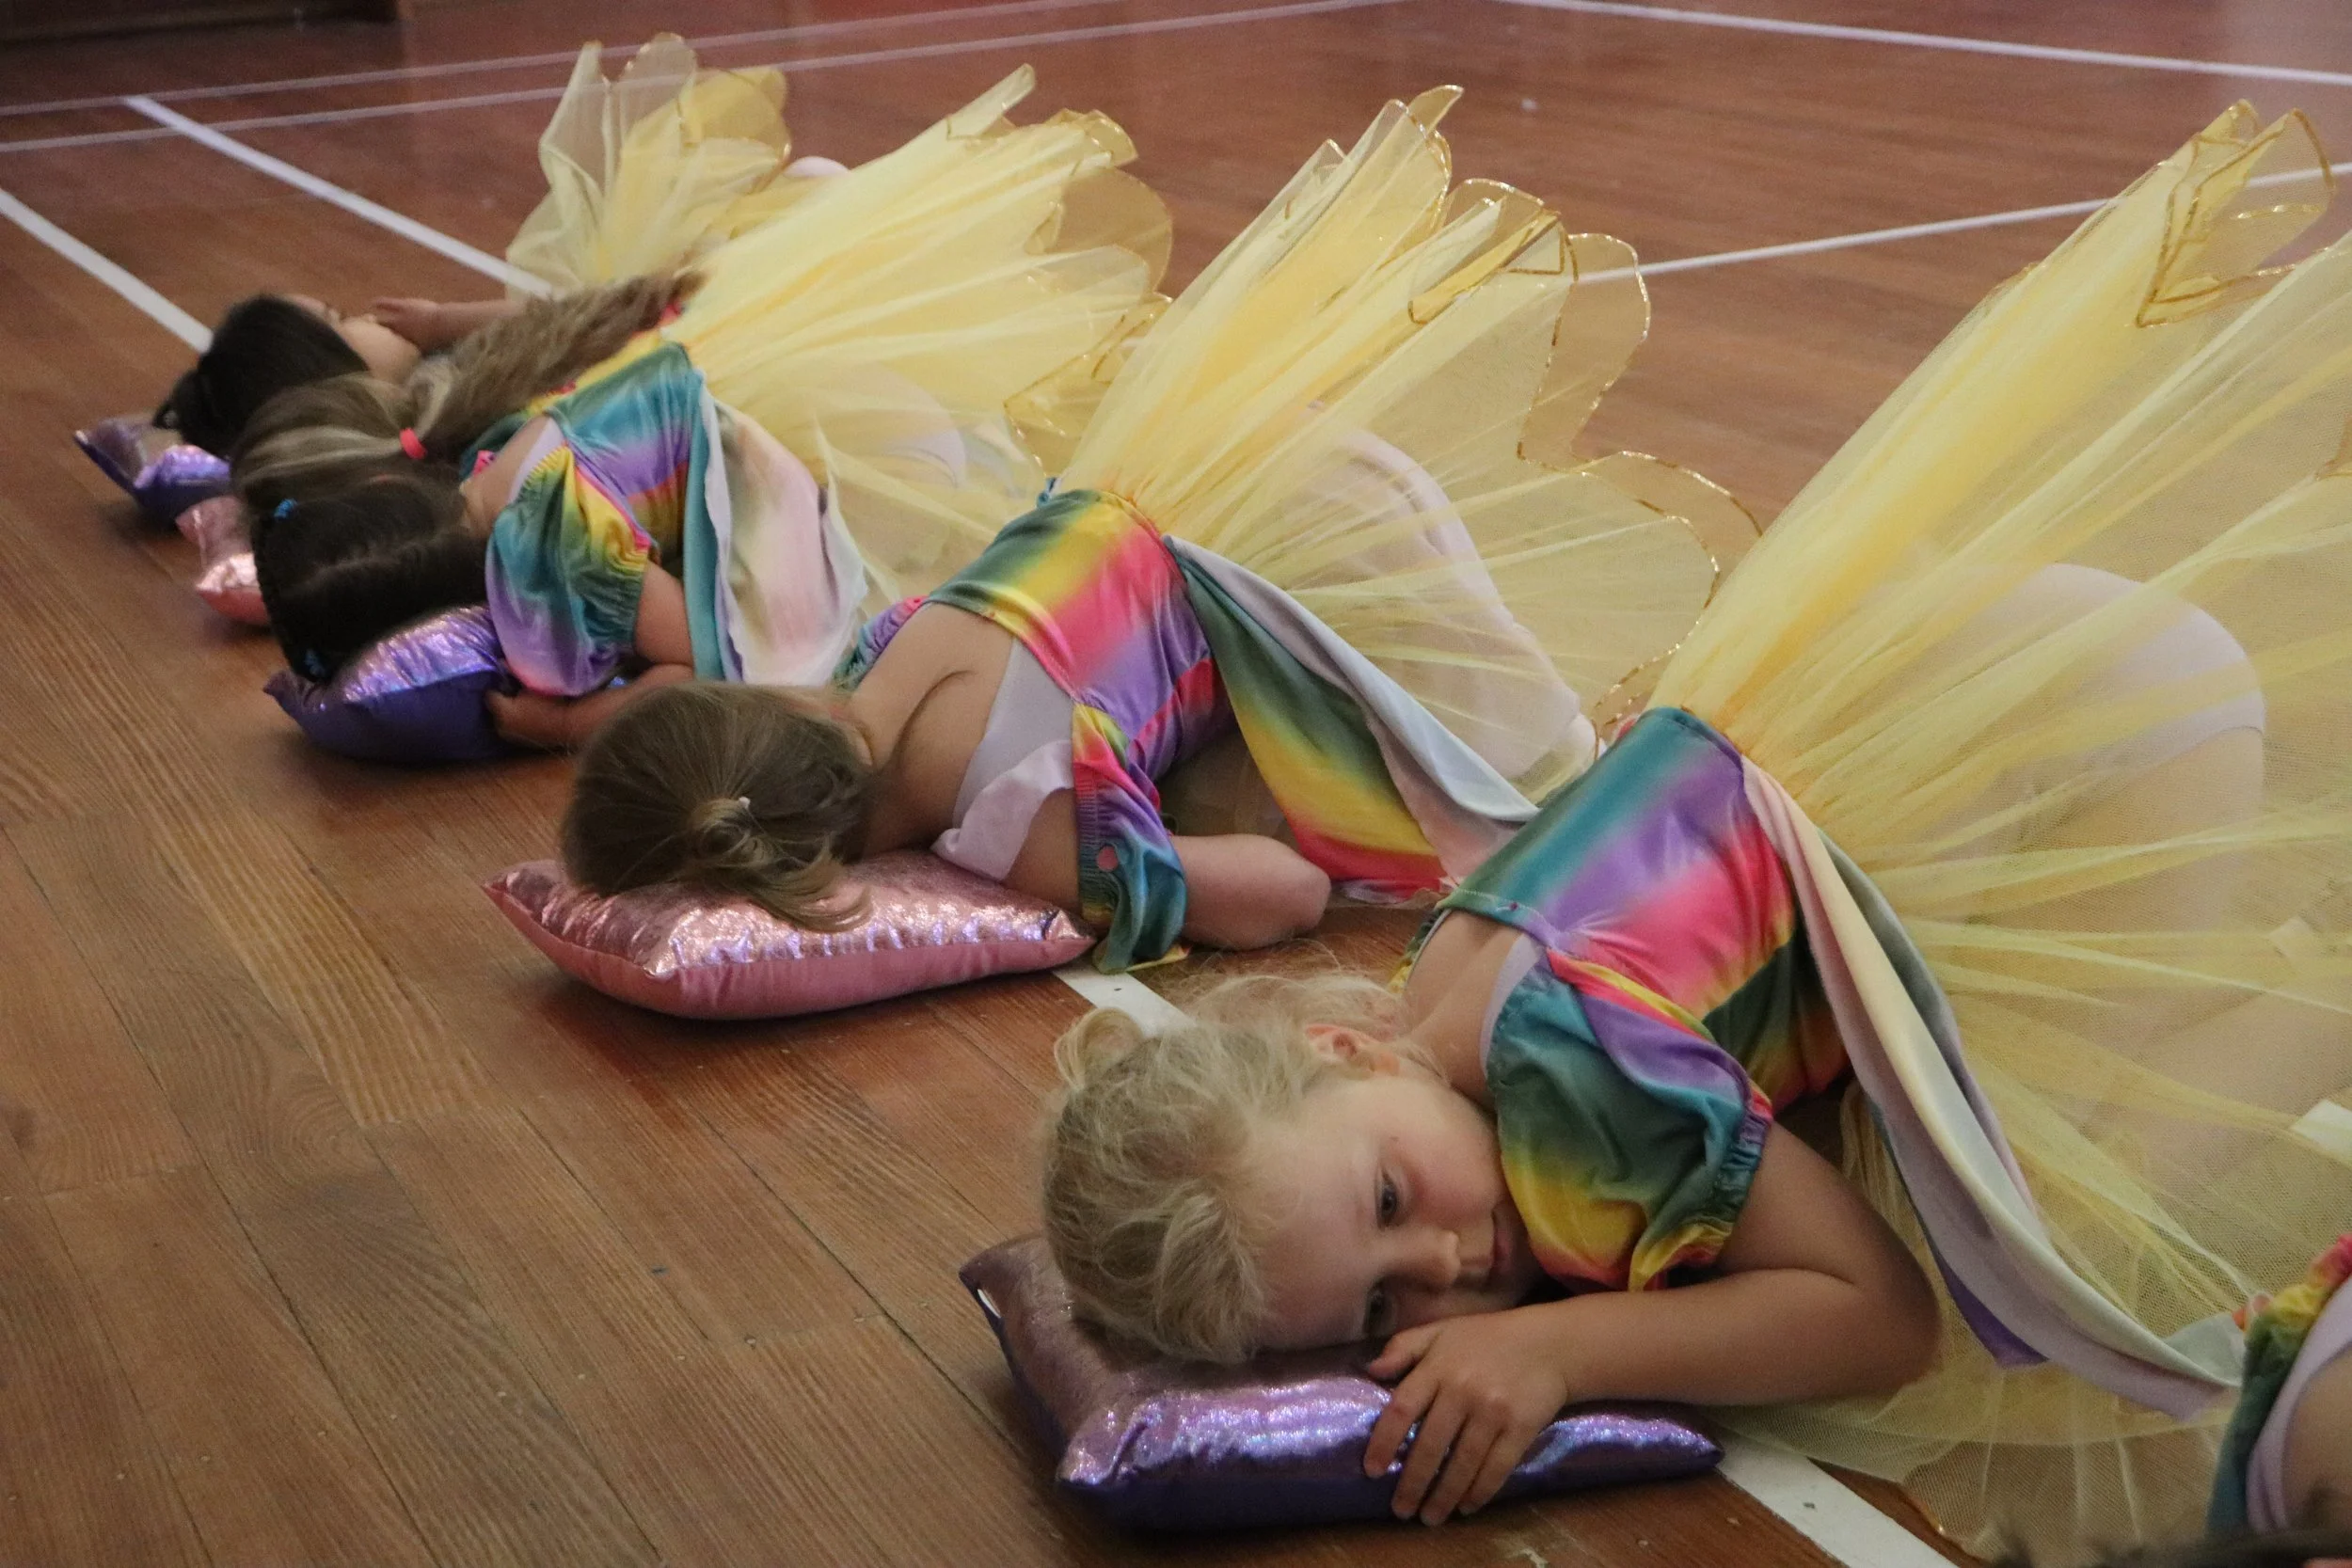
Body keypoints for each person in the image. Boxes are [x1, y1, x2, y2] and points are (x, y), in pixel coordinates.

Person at [1039, 102, 2352, 1564]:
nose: (1451, 1262)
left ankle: (2329, 988)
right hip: (2032, 678)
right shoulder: (1442, 991)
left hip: (2113, 737)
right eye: (1377, 1312)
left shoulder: (1572, 1068)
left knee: (2041, 1259)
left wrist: (1565, 1352)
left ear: (1340, 1057)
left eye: (1392, 1200)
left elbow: (1880, 1322)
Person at [554, 87, 1744, 967]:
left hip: (1304, 548)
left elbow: (1279, 892)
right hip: (1212, 460)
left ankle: (1676, 791)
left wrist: (1106, 892)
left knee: (1538, 821)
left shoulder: (1005, 820)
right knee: (1479, 733)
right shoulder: (880, 660)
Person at [233, 65, 1171, 711]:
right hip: (834, 387)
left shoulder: (548, 545)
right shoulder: (497, 457)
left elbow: (716, 664)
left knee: (863, 661)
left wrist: (576, 721)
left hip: (892, 445)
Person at [153, 34, 845, 456]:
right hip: (706, 385)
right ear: (334, 386)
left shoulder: (441, 374)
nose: (365, 313)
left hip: (683, 356)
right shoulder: (453, 414)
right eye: (341, 322)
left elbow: (550, 316)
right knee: (820, 198)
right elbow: (563, 322)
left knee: (814, 193)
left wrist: (441, 321)